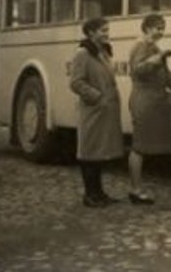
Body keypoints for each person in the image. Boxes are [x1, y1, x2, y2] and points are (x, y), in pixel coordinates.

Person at [127, 13, 171, 205]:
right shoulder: (141, 46)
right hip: (144, 100)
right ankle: (135, 189)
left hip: (153, 101)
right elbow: (138, 71)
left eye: (163, 28)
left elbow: (165, 75)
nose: (161, 31)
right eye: (158, 28)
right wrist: (158, 58)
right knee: (139, 147)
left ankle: (137, 188)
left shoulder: (152, 47)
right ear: (147, 28)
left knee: (142, 146)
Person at [69, 17, 124, 208]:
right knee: (89, 153)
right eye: (103, 30)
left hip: (103, 112)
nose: (107, 34)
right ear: (91, 33)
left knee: (99, 153)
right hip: (92, 111)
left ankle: (99, 193)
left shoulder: (102, 52)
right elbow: (76, 82)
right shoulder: (83, 54)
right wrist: (97, 97)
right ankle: (90, 195)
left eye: (107, 30)